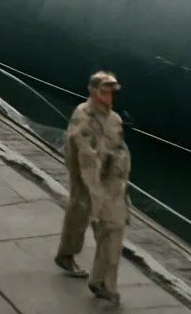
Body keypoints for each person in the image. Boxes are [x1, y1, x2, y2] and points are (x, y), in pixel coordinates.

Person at [54, 70, 131, 305]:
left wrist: (121, 186)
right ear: (92, 92)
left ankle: (99, 280)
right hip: (87, 176)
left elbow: (120, 150)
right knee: (85, 213)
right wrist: (99, 199)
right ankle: (74, 260)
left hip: (110, 180)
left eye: (110, 93)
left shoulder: (113, 119)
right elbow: (87, 161)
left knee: (108, 225)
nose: (107, 97)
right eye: (103, 92)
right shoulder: (83, 118)